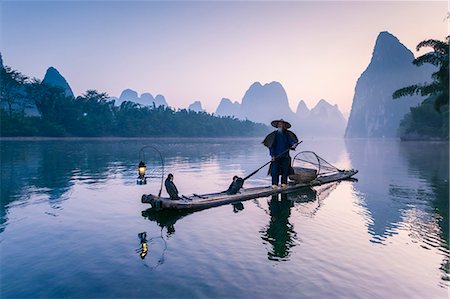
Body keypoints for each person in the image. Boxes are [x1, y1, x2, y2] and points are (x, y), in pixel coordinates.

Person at [262, 119, 299, 189]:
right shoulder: (274, 135)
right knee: (275, 170)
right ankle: (274, 184)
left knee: (285, 170)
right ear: (277, 126)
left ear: (284, 126)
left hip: (285, 156)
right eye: (279, 124)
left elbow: (291, 141)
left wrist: (294, 144)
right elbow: (271, 146)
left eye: (281, 124)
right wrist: (272, 155)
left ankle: (284, 183)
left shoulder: (287, 134)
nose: (280, 126)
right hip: (276, 156)